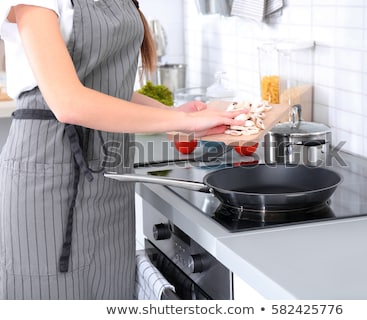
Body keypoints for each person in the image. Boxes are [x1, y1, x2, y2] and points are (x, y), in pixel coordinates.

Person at [0, 0, 244, 300]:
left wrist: (171, 116)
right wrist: (185, 120)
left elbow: (102, 86)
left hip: (109, 178)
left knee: (111, 293)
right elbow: (68, 100)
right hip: (47, 176)